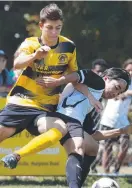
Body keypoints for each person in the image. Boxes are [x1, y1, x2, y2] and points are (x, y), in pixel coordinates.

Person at [2, 68, 131, 188]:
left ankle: (75, 184)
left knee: (92, 147)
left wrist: (122, 131)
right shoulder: (98, 82)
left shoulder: (93, 105)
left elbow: (92, 135)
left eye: (119, 92)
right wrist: (59, 81)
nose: (115, 93)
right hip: (60, 117)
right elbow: (77, 76)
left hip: (63, 121)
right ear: (107, 78)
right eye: (116, 87)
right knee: (78, 146)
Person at [0, 3, 81, 159]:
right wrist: (35, 56)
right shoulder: (31, 43)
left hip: (46, 108)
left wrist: (58, 82)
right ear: (41, 25)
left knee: (60, 128)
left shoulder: (69, 46)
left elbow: (75, 75)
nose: (54, 32)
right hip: (21, 103)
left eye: (58, 28)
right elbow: (17, 63)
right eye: (49, 27)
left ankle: (16, 156)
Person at [100, 59, 132, 174]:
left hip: (122, 121)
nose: (131, 72)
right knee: (107, 148)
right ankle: (106, 173)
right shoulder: (118, 81)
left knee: (124, 146)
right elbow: (115, 95)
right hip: (109, 119)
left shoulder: (129, 84)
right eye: (129, 69)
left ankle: (116, 171)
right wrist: (126, 93)